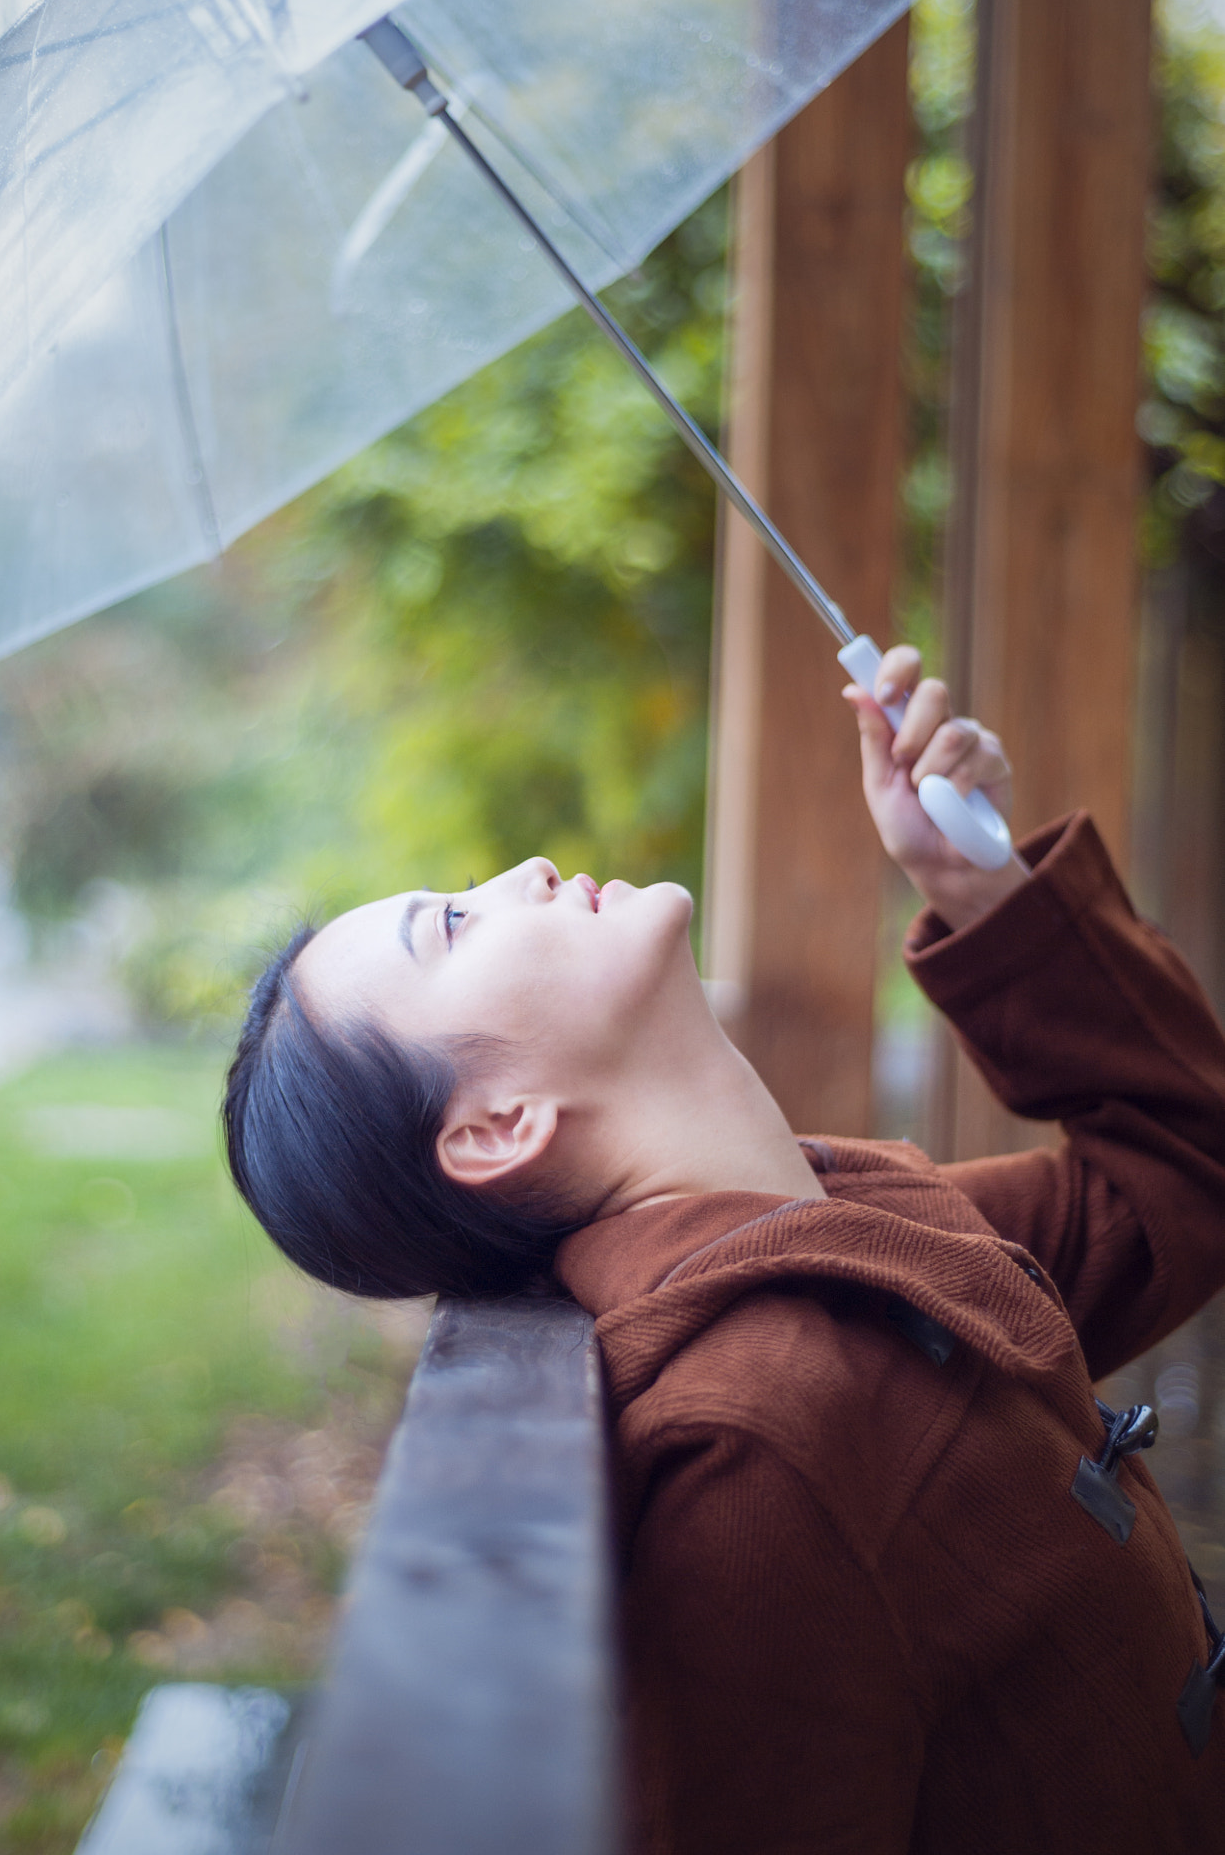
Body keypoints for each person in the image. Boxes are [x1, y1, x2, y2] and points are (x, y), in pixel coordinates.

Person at [224, 649, 1225, 1852]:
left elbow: (1185, 1173)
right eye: (452, 921)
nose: (520, 872)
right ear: (498, 1125)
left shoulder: (850, 1225)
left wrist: (979, 886)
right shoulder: (757, 1444)